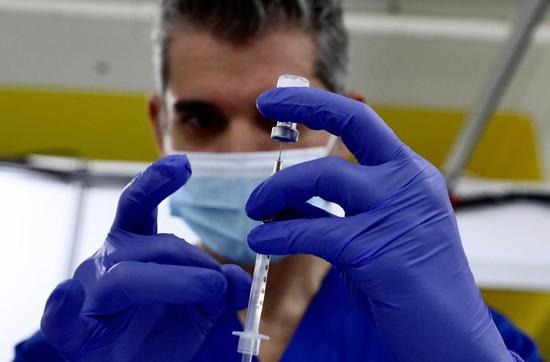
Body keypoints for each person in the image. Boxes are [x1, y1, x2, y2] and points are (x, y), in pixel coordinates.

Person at [14, 1, 542, 361]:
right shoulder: (84, 342)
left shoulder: (463, 340)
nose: (242, 148)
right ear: (160, 125)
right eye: (201, 118)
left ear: (342, 124)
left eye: (278, 120)